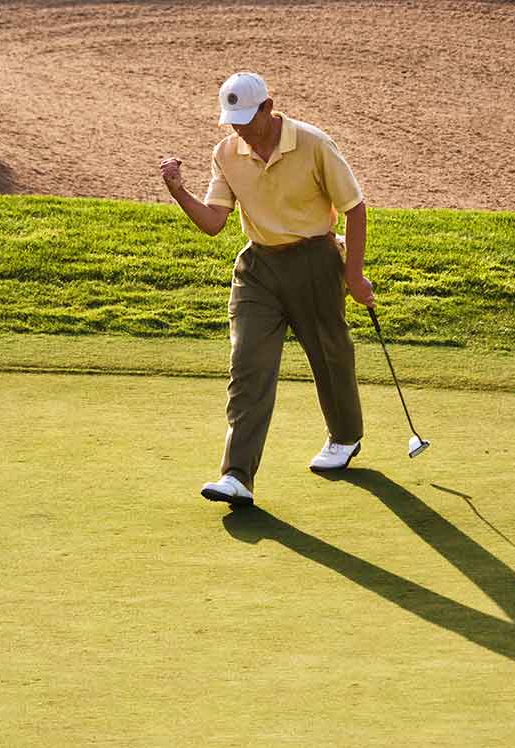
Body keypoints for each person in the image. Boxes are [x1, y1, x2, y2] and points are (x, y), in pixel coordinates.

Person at [160, 71, 374, 509]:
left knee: (329, 355)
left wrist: (353, 275)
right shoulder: (226, 152)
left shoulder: (314, 143)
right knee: (248, 365)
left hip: (314, 258)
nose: (238, 128)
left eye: (245, 118)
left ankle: (345, 436)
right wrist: (179, 191)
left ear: (268, 107)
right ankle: (237, 475)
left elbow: (354, 208)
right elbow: (214, 223)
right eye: (231, 120)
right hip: (258, 269)